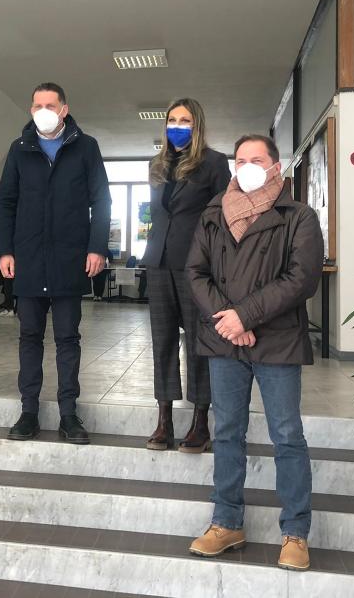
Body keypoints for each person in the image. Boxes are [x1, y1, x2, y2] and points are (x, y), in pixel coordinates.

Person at [186, 134, 323, 571]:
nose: (247, 166)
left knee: (287, 434)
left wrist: (245, 316)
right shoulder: (213, 214)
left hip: (276, 339)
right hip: (224, 339)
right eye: (240, 159)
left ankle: (295, 532)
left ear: (275, 166)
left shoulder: (298, 216)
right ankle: (226, 522)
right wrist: (228, 320)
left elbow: (301, 279)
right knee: (226, 431)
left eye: (256, 159)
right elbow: (196, 271)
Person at [0, 82, 111, 445]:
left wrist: (97, 248)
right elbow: (7, 203)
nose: (42, 110)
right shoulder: (19, 150)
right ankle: (28, 411)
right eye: (36, 105)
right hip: (28, 259)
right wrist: (5, 251)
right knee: (29, 336)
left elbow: (102, 200)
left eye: (50, 104)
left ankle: (68, 414)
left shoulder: (86, 147)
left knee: (68, 338)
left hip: (69, 258)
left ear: (64, 109)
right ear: (31, 109)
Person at [140, 99, 230, 453]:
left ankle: (200, 422)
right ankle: (164, 419)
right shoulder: (156, 165)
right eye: (172, 120)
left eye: (185, 120)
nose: (177, 125)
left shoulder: (214, 163)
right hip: (159, 263)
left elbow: (224, 218)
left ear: (198, 124)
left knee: (198, 344)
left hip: (196, 266)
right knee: (161, 343)